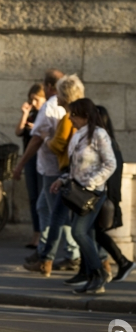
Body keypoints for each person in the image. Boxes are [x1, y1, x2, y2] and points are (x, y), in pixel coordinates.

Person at [12, 70, 80, 271]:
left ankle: (69, 254)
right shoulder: (65, 107)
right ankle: (44, 250)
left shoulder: (51, 106)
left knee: (57, 213)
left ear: (51, 87)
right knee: (44, 207)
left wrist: (20, 164)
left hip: (52, 169)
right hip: (58, 167)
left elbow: (37, 139)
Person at [50, 98, 116, 295]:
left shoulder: (99, 134)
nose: (70, 118)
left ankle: (99, 273)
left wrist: (91, 183)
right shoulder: (79, 135)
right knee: (88, 234)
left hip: (93, 193)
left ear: (85, 116)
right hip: (78, 192)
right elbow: (75, 168)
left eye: (74, 114)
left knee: (79, 232)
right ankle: (93, 278)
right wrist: (62, 180)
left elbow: (110, 164)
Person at [94, 106, 135, 282]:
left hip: (103, 196)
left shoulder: (105, 143)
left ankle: (120, 262)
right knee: (92, 232)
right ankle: (111, 265)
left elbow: (110, 173)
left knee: (93, 232)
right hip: (106, 195)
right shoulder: (109, 141)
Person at [14, 83, 46, 249]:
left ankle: (43, 235)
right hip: (29, 158)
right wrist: (25, 114)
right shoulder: (32, 114)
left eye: (37, 99)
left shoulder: (46, 114)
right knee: (33, 197)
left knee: (43, 198)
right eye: (31, 99)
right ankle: (36, 233)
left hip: (43, 159)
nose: (34, 103)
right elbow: (18, 131)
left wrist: (36, 129)